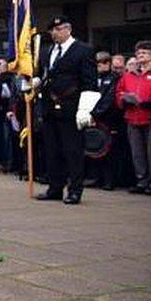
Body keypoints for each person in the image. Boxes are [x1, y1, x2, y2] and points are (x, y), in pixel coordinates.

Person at [34, 16, 96, 205]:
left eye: (58, 29)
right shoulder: (46, 51)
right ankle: (55, 187)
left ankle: (75, 190)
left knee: (73, 151)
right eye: (52, 30)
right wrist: (36, 82)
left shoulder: (83, 50)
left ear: (68, 29)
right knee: (51, 150)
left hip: (71, 106)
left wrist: (85, 108)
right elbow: (45, 74)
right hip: (49, 106)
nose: (54, 33)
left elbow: (89, 81)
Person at [116, 40, 151, 196]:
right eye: (138, 53)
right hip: (132, 117)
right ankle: (142, 181)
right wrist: (123, 100)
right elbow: (119, 92)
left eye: (145, 52)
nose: (141, 55)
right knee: (137, 153)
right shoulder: (128, 75)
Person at [88, 51, 126, 190]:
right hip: (93, 119)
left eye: (103, 63)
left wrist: (96, 113)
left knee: (109, 151)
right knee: (95, 148)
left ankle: (109, 180)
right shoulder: (92, 78)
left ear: (109, 64)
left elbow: (109, 100)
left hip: (109, 119)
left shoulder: (114, 78)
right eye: (97, 63)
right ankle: (96, 177)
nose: (99, 66)